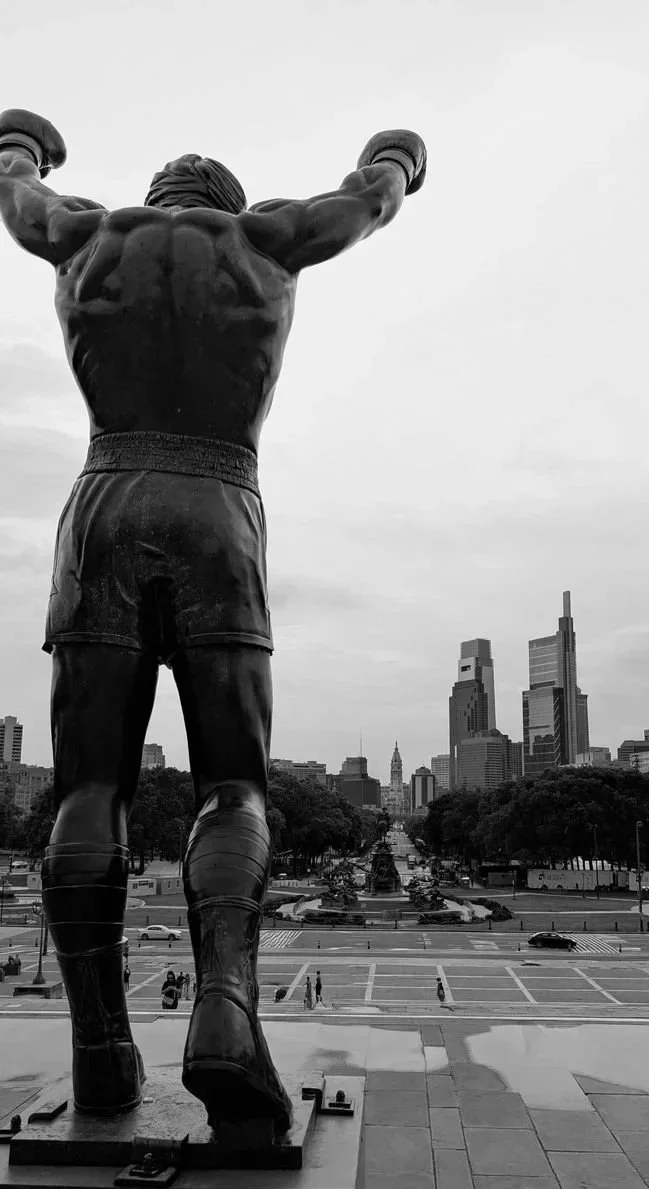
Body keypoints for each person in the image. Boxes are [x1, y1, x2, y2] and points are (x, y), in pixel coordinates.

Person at [0, 107, 426, 1128]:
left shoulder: (88, 235)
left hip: (102, 508)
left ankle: (101, 1054)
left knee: (88, 787)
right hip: (218, 510)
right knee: (233, 783)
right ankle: (225, 1014)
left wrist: (19, 145)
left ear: (158, 197)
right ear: (229, 204)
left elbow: (15, 196)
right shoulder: (266, 239)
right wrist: (396, 156)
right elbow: (367, 201)